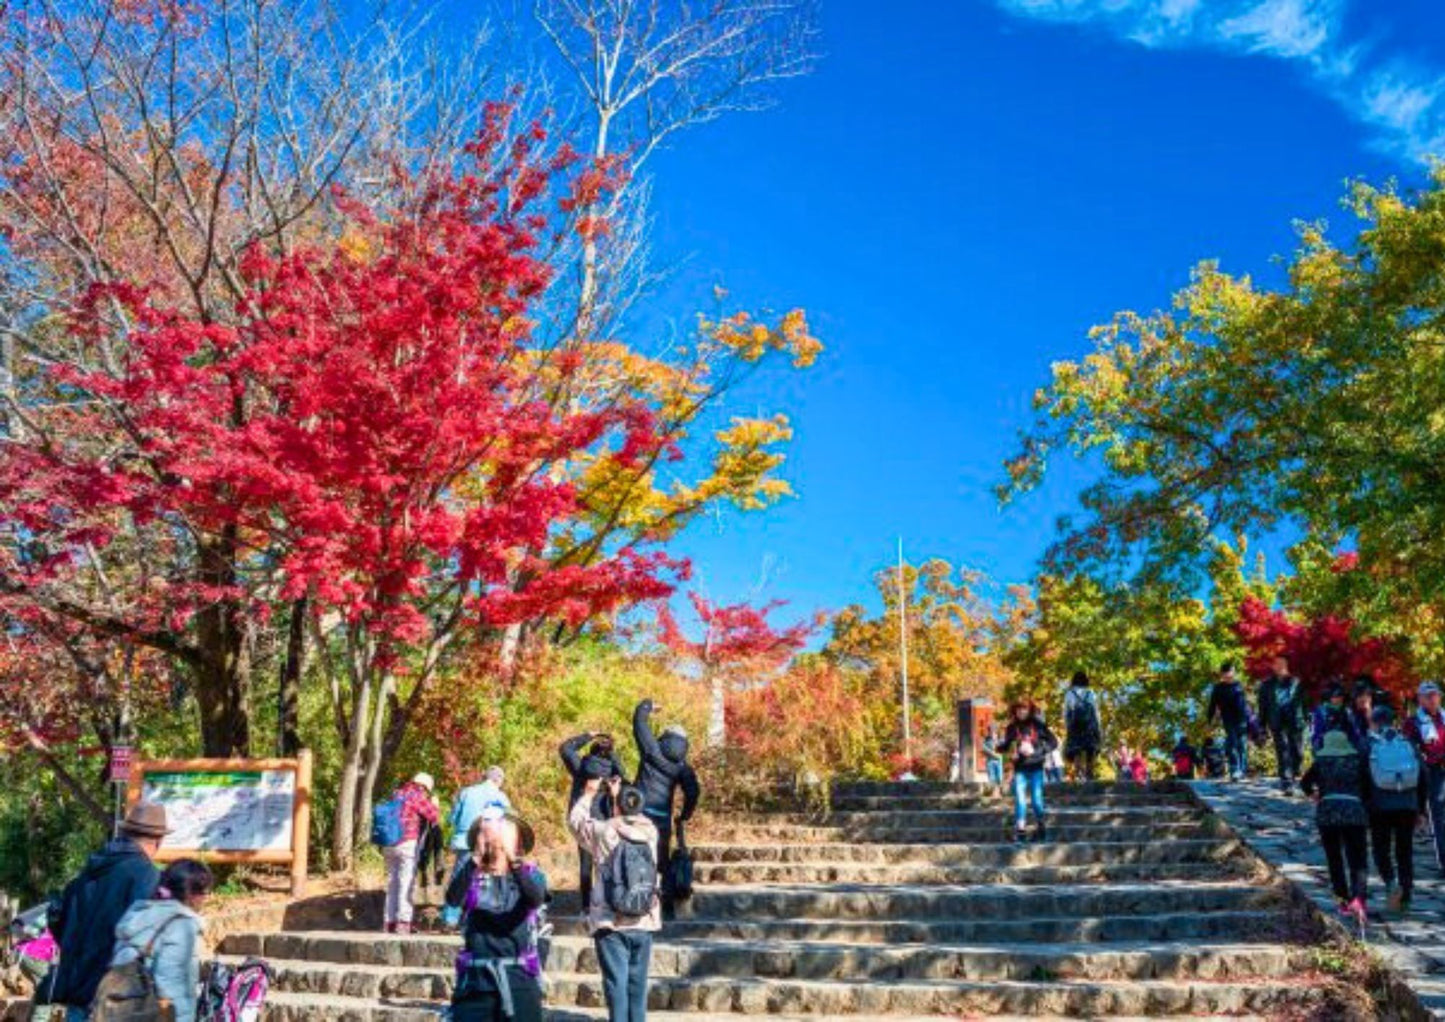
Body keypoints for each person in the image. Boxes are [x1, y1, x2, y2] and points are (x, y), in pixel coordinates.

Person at [49, 801, 167, 1021]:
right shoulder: (147, 876)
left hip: (78, 995)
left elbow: (60, 926)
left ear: (125, 833)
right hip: (116, 1001)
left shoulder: (89, 871)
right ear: (158, 842)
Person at [569, 776, 661, 1022]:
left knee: (615, 984)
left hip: (611, 922)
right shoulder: (651, 833)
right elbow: (629, 815)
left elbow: (575, 822)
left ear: (617, 806)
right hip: (644, 919)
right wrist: (619, 796)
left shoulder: (603, 831)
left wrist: (589, 793)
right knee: (637, 985)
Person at [445, 813, 547, 1022]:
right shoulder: (471, 875)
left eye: (505, 831)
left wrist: (513, 860)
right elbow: (453, 899)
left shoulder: (531, 875)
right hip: (476, 981)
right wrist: (475, 857)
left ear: (517, 843)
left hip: (518, 978)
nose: (497, 837)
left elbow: (535, 899)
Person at [106, 860, 214, 1022]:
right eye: (205, 892)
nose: (206, 898)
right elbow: (170, 985)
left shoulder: (139, 915)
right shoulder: (181, 924)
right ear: (192, 894)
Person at [632, 700, 700, 916]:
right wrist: (684, 815)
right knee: (662, 862)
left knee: (635, 857)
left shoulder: (652, 749)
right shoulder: (682, 767)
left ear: (665, 737)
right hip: (662, 819)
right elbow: (693, 792)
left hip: (638, 815)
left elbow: (639, 723)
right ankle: (667, 909)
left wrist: (647, 705)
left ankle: (634, 905)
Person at [1300, 730, 1371, 928]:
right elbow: (1368, 788)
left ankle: (1342, 900)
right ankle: (1359, 898)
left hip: (1328, 813)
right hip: (1354, 812)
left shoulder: (1321, 763)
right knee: (1358, 859)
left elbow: (1304, 783)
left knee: (1334, 858)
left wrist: (1315, 795)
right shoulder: (1357, 762)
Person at [1366, 705, 1425, 915]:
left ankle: (1391, 882)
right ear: (1393, 722)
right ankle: (1406, 897)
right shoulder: (1407, 743)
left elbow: (1363, 777)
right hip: (1407, 805)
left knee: (1381, 849)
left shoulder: (1369, 744)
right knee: (1405, 851)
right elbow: (1422, 775)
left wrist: (1365, 806)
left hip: (1379, 807)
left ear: (1373, 722)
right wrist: (1420, 809)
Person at [560, 733, 626, 910]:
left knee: (585, 864)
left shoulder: (581, 767)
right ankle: (606, 903)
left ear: (591, 750)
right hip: (605, 820)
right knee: (606, 862)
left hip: (584, 820)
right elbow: (625, 776)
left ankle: (586, 907)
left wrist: (590, 734)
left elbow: (565, 748)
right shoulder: (612, 772)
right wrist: (612, 754)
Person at [442, 767, 513, 927]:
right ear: (499, 780)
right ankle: (472, 919)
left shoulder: (466, 792)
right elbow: (509, 821)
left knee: (460, 878)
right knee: (484, 881)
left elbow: (453, 818)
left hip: (464, 841)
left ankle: (450, 918)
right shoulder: (501, 797)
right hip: (491, 844)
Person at [382, 772, 440, 935]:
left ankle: (389, 922)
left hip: (388, 843)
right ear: (426, 787)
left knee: (392, 882)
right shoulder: (417, 796)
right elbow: (433, 816)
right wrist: (434, 804)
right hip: (406, 843)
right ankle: (404, 922)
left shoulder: (396, 793)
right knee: (406, 881)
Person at [997, 700, 1057, 843]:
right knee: (1020, 799)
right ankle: (1021, 831)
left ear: (1029, 710)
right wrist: (1000, 748)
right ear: (1014, 711)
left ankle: (1041, 828)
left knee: (1036, 800)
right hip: (1020, 769)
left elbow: (1054, 742)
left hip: (1036, 767)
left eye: (1024, 709)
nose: (1021, 712)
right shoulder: (1011, 728)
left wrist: (1038, 751)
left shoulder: (1038, 725)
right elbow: (1006, 745)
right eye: (1018, 709)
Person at [1403, 680, 1445, 871]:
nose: (1432, 699)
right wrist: (1431, 758)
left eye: (1435, 695)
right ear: (1420, 699)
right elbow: (1410, 749)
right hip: (1432, 773)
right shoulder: (1413, 722)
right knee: (1440, 817)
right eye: (1427, 696)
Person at [1259, 656, 1307, 793]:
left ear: (1287, 665)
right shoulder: (1266, 685)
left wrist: (1306, 718)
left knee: (1297, 752)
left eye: (1282, 663)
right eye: (1276, 664)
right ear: (1273, 666)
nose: (1279, 666)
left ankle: (1295, 771)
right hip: (1277, 721)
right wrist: (1262, 726)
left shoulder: (1296, 683)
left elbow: (1304, 703)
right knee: (1283, 749)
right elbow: (1262, 706)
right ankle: (1286, 781)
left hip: (1295, 721)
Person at [1206, 662, 1251, 781]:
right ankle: (1235, 769)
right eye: (1226, 674)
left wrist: (1249, 720)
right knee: (1232, 743)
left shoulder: (1239, 685)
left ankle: (1242, 769)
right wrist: (1209, 720)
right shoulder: (1218, 688)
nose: (1229, 675)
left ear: (1234, 673)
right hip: (1228, 719)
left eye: (1231, 673)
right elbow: (1212, 704)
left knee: (1242, 744)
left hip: (1242, 720)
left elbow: (1244, 705)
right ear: (1222, 674)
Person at [1062, 671, 1103, 781]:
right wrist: (1099, 726)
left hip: (1075, 725)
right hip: (1089, 725)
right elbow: (1096, 711)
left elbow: (1066, 711)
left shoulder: (1069, 693)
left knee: (1076, 750)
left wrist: (1067, 725)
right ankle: (1090, 772)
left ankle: (1078, 772)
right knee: (1090, 749)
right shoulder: (1091, 693)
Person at [1311, 682, 1359, 751]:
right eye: (1336, 696)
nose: (1339, 699)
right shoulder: (1321, 712)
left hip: (1345, 750)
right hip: (1325, 750)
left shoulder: (1347, 712)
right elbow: (1316, 736)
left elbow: (1355, 734)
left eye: (1341, 696)